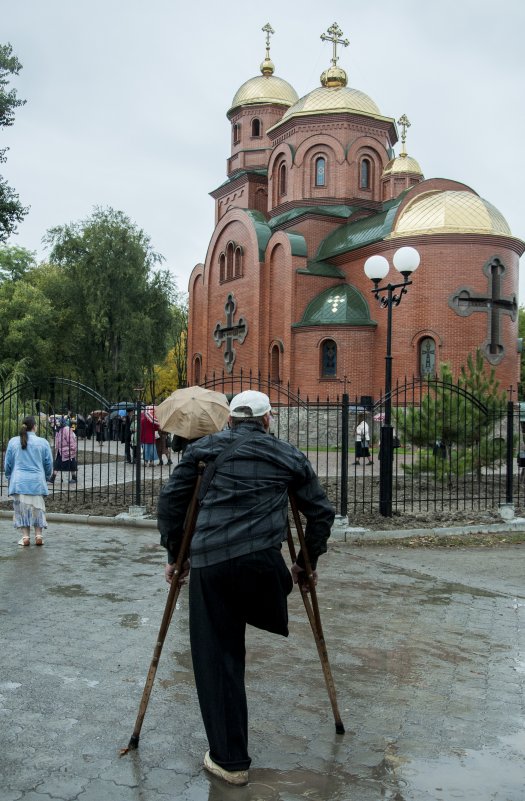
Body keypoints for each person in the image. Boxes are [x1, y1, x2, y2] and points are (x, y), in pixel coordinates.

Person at [157, 390, 335, 786]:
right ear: (268, 420)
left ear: (231, 421)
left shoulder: (202, 451)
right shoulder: (289, 455)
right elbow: (321, 513)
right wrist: (307, 565)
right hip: (264, 575)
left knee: (216, 655)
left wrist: (176, 556)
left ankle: (230, 761)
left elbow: (170, 504)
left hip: (213, 565)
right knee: (238, 619)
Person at [3, 415, 53, 546]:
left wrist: (9, 476)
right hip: (37, 481)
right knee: (38, 509)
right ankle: (38, 535)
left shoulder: (13, 442)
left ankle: (25, 537)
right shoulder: (43, 442)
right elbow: (48, 464)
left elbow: (7, 463)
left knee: (21, 510)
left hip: (19, 482)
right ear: (35, 427)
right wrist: (46, 477)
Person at [49, 417, 78, 484]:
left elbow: (71, 441)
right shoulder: (58, 430)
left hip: (68, 450)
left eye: (57, 422)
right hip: (60, 451)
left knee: (71, 464)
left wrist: (72, 449)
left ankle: (74, 478)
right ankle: (52, 478)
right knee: (57, 464)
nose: (55, 423)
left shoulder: (66, 429)